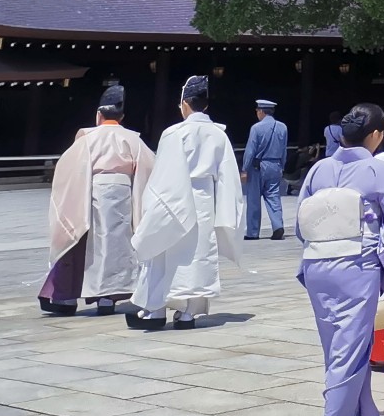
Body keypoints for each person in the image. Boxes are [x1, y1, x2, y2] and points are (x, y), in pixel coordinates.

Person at [295, 101, 384, 416]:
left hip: (317, 264)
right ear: (376, 135)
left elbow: (302, 221)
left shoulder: (318, 169)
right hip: (356, 264)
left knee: (338, 346)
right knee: (350, 348)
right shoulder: (377, 171)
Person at [126, 76, 243, 331]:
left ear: (185, 104)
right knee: (197, 257)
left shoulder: (174, 133)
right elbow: (228, 178)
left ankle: (156, 310)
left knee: (163, 251)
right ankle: (188, 313)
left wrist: (152, 204)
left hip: (175, 198)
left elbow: (162, 174)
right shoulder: (219, 135)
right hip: (204, 200)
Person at [41, 84, 154, 316]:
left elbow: (67, 169)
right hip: (123, 194)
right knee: (117, 247)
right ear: (122, 117)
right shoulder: (133, 140)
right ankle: (108, 298)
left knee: (80, 242)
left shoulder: (87, 139)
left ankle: (66, 296)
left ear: (99, 115)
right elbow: (150, 167)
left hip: (90, 194)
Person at [241, 98, 289, 241]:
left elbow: (250, 151)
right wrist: (282, 166)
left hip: (258, 167)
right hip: (276, 165)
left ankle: (253, 232)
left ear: (261, 111)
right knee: (274, 197)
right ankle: (278, 226)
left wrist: (244, 169)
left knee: (254, 199)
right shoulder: (283, 127)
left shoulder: (256, 128)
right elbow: (284, 150)